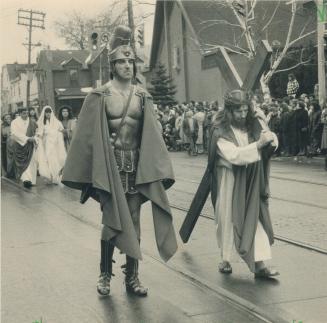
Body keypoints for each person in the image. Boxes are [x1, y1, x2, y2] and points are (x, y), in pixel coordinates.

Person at [62, 25, 177, 297]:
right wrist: (82, 168)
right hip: (110, 167)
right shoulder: (99, 96)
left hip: (136, 165)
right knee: (112, 220)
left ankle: (132, 277)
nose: (127, 65)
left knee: (135, 219)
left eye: (131, 61)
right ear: (112, 66)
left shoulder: (142, 96)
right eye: (121, 62)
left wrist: (160, 168)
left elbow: (153, 136)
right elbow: (85, 137)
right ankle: (104, 273)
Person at [208, 90, 279, 278]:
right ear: (229, 111)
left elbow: (270, 141)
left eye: (245, 110)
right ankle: (225, 258)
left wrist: (266, 130)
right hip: (229, 181)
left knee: (255, 219)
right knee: (227, 219)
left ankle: (260, 265)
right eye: (238, 111)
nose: (242, 115)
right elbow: (235, 156)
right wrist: (258, 145)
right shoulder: (220, 131)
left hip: (252, 180)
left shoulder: (252, 126)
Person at [8, 107, 38, 188]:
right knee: (23, 163)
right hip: (20, 145)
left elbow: (37, 132)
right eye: (24, 113)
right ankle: (26, 179)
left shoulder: (32, 122)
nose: (26, 114)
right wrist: (27, 138)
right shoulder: (14, 122)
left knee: (31, 162)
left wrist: (35, 138)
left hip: (31, 146)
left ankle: (31, 180)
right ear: (20, 113)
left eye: (27, 113)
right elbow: (14, 133)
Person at [36, 106, 66, 184]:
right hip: (46, 144)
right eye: (46, 113)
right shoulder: (42, 123)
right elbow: (40, 133)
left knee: (55, 159)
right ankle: (49, 176)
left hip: (55, 144)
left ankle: (56, 177)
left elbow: (61, 130)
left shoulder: (57, 122)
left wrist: (58, 134)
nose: (48, 114)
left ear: (51, 113)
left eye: (49, 112)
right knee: (48, 159)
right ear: (44, 113)